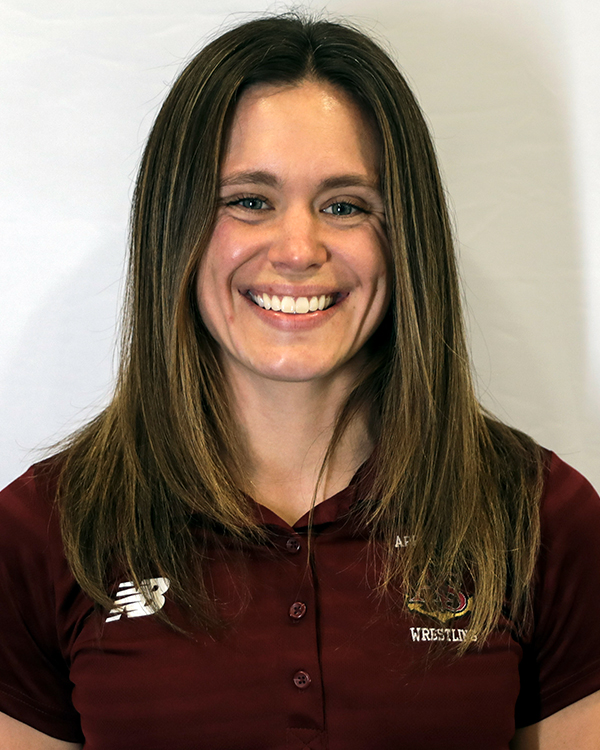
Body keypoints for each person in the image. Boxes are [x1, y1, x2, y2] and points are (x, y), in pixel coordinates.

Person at [0, 13, 599, 750]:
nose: (297, 249)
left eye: (345, 206)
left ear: (404, 238)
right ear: (175, 228)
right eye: (249, 200)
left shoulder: (539, 515)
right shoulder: (43, 532)